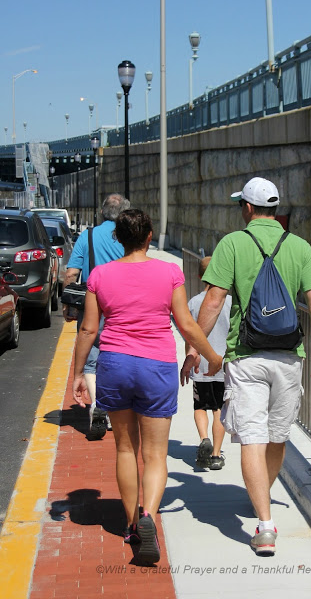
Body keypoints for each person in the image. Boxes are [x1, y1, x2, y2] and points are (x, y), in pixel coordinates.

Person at [183, 177, 311, 556]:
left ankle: (264, 526)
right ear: (275, 209)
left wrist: (195, 346)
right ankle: (262, 497)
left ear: (247, 209)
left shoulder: (233, 243)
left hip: (246, 356)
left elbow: (214, 300)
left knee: (251, 437)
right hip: (288, 355)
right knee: (277, 436)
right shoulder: (298, 246)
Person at [72, 209, 222, 564]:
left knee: (125, 450)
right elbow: (184, 322)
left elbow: (89, 330)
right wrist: (211, 357)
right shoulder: (169, 272)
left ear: (117, 238)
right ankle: (148, 516)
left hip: (115, 365)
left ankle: (130, 525)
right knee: (155, 454)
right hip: (157, 366)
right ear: (150, 236)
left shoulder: (100, 274)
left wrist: (79, 373)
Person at [63, 193, 130, 440]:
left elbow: (71, 274)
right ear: (124, 214)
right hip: (122, 305)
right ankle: (113, 408)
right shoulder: (127, 237)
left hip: (93, 304)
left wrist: (68, 305)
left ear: (102, 212)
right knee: (117, 356)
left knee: (91, 359)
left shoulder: (88, 235)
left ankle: (96, 406)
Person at [181, 257, 232, 470]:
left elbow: (189, 336)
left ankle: (203, 439)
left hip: (200, 364)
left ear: (200, 276)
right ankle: (216, 454)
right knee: (219, 408)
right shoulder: (229, 302)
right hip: (222, 364)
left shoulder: (193, 302)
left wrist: (189, 357)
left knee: (200, 405)